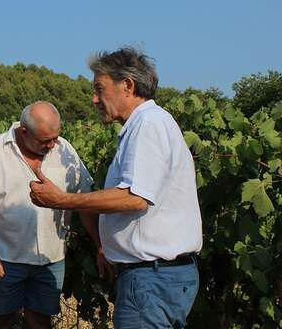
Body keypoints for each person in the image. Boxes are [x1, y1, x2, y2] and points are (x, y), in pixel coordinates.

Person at [29, 47, 203, 328]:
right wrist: (108, 247)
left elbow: (135, 198)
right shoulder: (149, 124)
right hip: (157, 278)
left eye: (100, 89)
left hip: (150, 279)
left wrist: (61, 200)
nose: (94, 99)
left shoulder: (148, 125)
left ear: (128, 86)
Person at [0, 101, 93, 328]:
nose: (52, 145)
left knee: (41, 321)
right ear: (24, 131)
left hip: (51, 260)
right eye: (45, 141)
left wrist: (100, 244)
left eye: (55, 137)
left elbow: (84, 198)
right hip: (4, 258)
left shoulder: (65, 149)